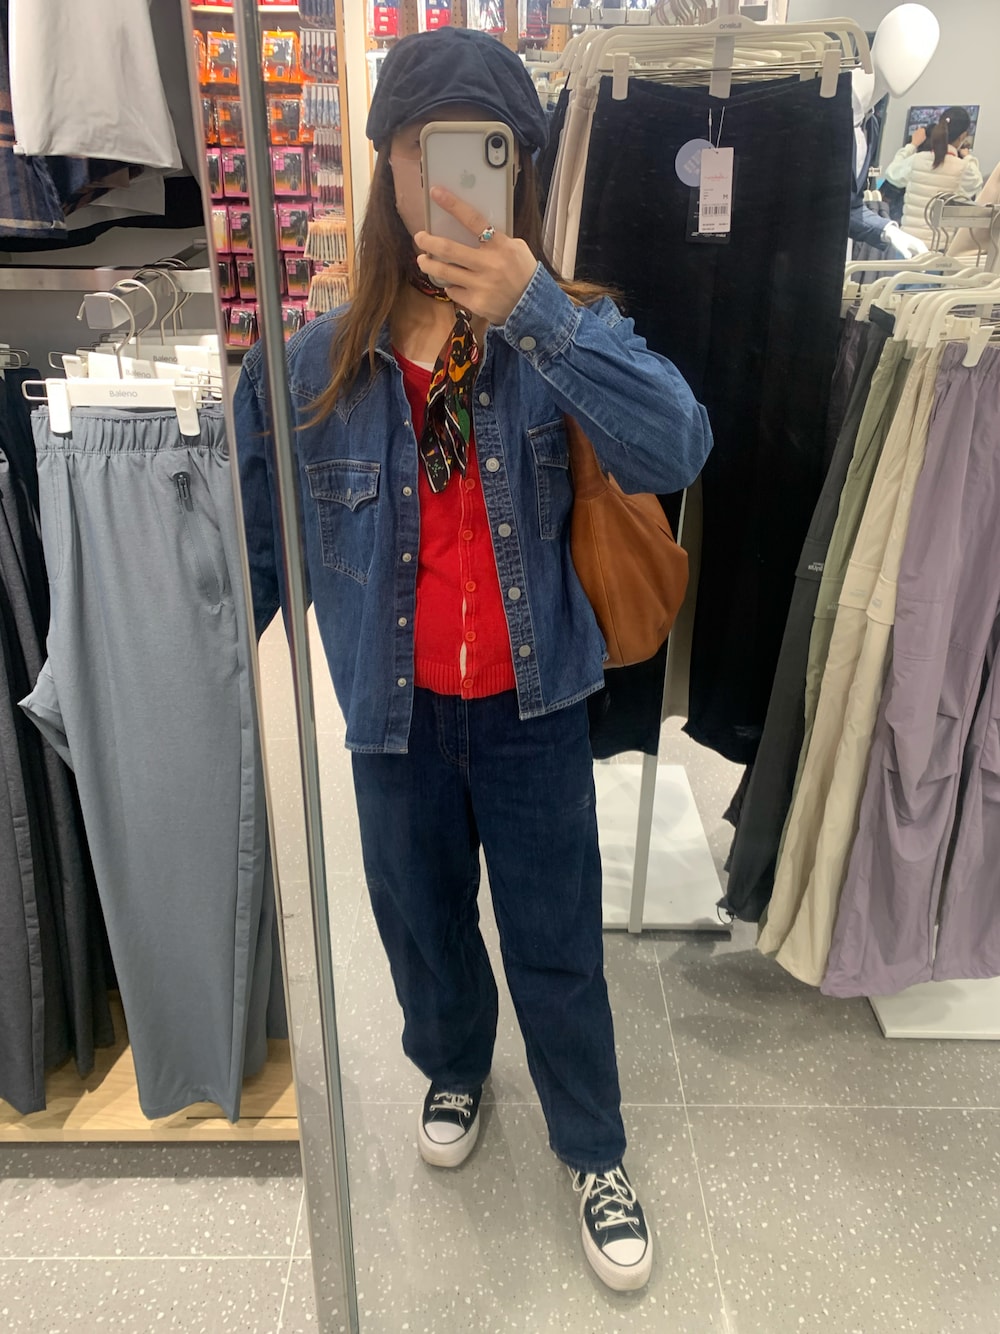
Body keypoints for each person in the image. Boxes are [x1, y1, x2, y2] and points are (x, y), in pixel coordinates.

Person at [235, 26, 711, 1293]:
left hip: (530, 707)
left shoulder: (568, 335)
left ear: (520, 170)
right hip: (392, 714)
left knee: (555, 937)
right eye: (423, 148)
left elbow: (679, 446)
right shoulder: (312, 365)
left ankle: (592, 1145)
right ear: (389, 165)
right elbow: (249, 557)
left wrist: (536, 312)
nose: (447, 176)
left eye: (484, 150)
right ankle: (453, 1064)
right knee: (421, 925)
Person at [884, 106, 984, 247]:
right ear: (963, 136)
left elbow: (892, 173)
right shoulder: (963, 168)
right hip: (938, 247)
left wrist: (912, 145)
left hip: (908, 243)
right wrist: (968, 157)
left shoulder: (917, 160)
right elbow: (976, 182)